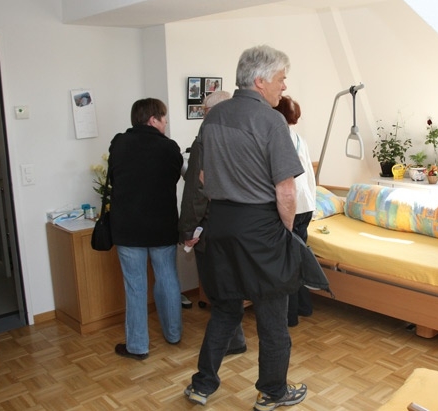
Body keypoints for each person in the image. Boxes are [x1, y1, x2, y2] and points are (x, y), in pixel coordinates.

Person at [185, 45, 308, 410]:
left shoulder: (214, 117)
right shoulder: (270, 121)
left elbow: (200, 177)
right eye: (281, 79)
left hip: (220, 226)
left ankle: (202, 385)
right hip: (259, 230)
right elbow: (286, 190)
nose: (284, 86)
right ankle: (273, 392)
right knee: (272, 319)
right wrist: (286, 234)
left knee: (225, 310)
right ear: (260, 80)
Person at [108, 98, 183, 360]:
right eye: (164, 118)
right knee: (167, 278)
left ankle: (138, 346)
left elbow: (115, 178)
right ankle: (173, 334)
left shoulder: (119, 143)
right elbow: (174, 177)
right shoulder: (169, 147)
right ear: (153, 119)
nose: (166, 123)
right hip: (162, 225)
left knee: (135, 286)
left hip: (128, 227)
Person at [178, 89, 247, 355]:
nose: (203, 117)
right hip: (239, 225)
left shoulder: (204, 141)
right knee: (232, 284)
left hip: (213, 227)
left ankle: (229, 342)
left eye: (205, 112)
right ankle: (235, 338)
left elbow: (196, 191)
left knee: (218, 288)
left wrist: (187, 229)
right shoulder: (244, 136)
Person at [273, 96, 316, 327]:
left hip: (290, 206)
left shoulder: (277, 139)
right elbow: (309, 175)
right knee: (299, 258)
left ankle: (290, 316)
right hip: (306, 205)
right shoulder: (300, 140)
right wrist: (313, 205)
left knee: (286, 262)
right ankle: (304, 307)